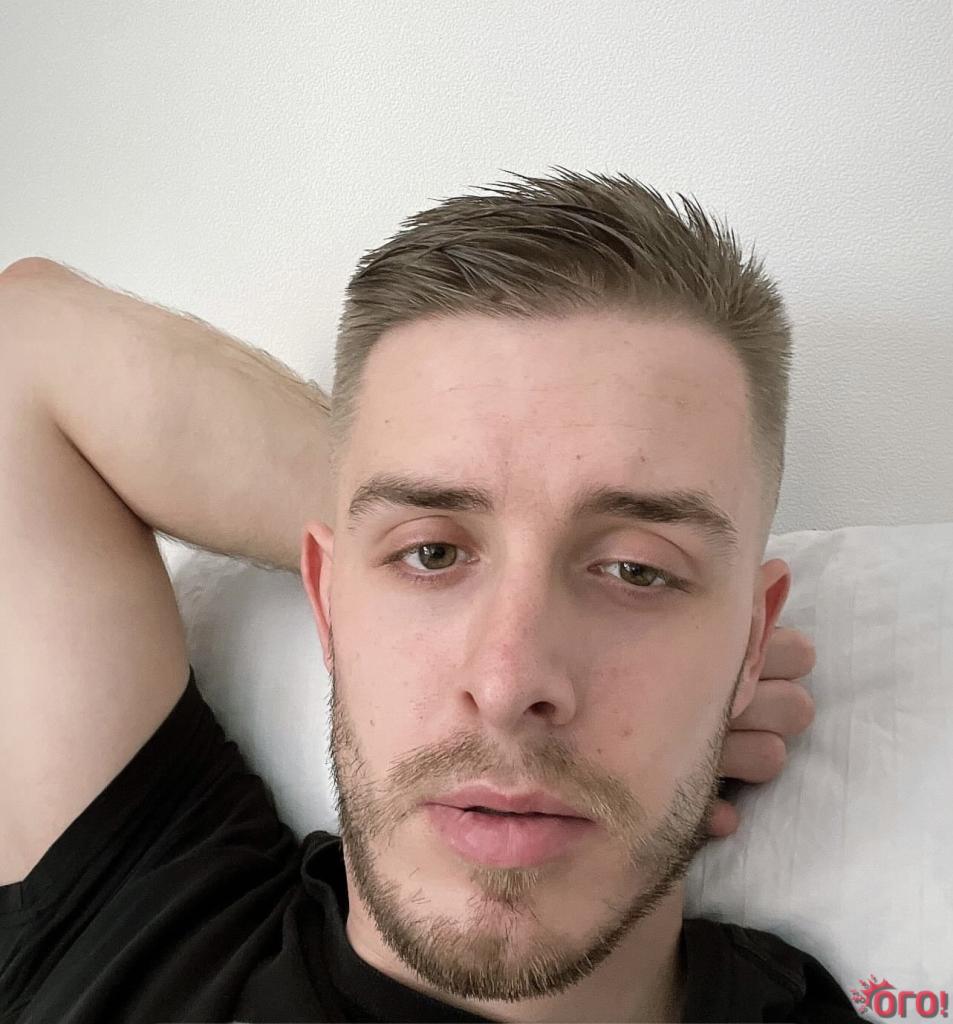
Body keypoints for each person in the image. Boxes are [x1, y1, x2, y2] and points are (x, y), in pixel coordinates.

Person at [0, 170, 859, 1022]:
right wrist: (374, 496)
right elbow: (24, 341)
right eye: (432, 555)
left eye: (636, 570)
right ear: (329, 603)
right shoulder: (137, 924)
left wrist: (413, 523)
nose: (508, 681)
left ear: (750, 646)